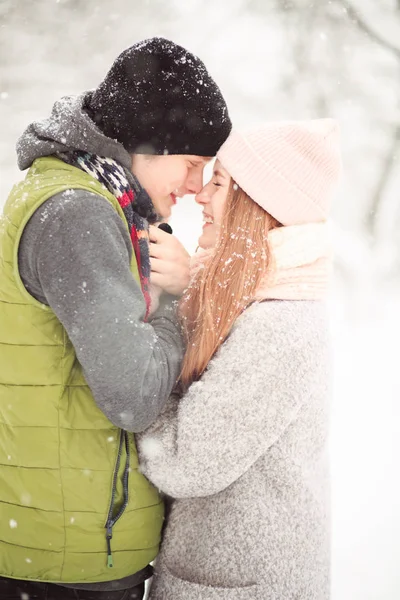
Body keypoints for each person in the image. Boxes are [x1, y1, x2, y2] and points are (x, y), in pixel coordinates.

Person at [0, 37, 231, 600]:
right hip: (63, 558)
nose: (197, 187)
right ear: (150, 142)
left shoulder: (83, 198)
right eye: (193, 164)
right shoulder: (78, 212)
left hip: (64, 541)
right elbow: (134, 395)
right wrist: (180, 304)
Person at [138, 119, 342, 600]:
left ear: (257, 204)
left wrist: (129, 382)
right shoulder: (249, 299)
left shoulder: (281, 325)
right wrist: (182, 295)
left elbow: (186, 462)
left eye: (219, 183)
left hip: (242, 587)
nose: (201, 196)